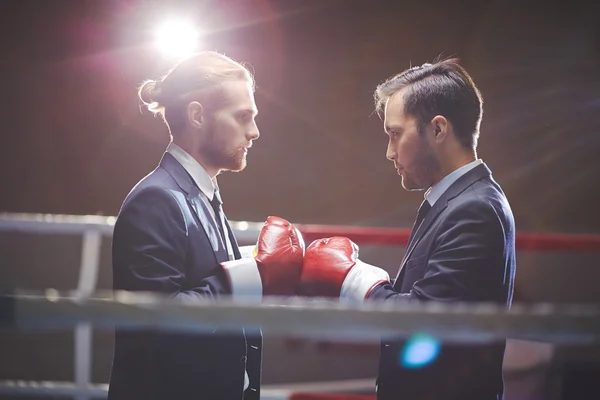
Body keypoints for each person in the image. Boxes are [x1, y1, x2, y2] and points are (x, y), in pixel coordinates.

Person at [299, 58, 516, 399]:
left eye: (395, 134)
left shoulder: (474, 209)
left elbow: (424, 320)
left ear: (438, 130)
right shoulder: (453, 200)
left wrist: (351, 277)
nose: (389, 152)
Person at [108, 51, 304, 400]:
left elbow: (197, 274)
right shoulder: (156, 200)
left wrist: (253, 264)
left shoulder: (200, 193)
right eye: (243, 117)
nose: (254, 131)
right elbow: (158, 321)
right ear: (197, 115)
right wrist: (251, 274)